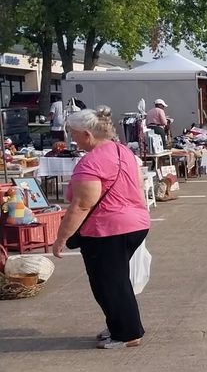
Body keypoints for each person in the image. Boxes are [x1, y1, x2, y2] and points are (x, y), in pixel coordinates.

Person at [52, 106, 151, 349]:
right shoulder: (123, 151)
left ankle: (127, 333)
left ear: (87, 134)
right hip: (134, 223)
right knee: (116, 281)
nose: (71, 138)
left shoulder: (91, 162)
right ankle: (119, 326)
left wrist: (61, 237)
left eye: (73, 133)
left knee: (109, 283)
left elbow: (83, 204)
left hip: (108, 229)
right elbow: (138, 186)